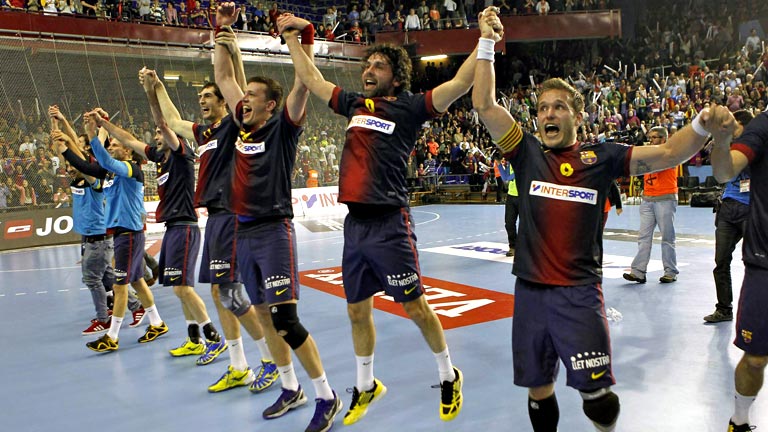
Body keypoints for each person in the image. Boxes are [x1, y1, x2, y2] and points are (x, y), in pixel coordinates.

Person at [471, 9, 733, 432]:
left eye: (559, 107)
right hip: (531, 293)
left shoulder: (602, 157)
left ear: (577, 116)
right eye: (542, 108)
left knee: (599, 400)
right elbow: (484, 104)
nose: (549, 114)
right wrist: (486, 41)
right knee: (538, 390)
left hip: (579, 295)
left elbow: (669, 153)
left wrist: (701, 124)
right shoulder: (527, 153)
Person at [278, 9, 478, 426]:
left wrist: (488, 40)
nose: (369, 70)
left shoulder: (409, 107)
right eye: (367, 64)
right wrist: (293, 39)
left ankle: (448, 374)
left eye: (379, 66)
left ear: (397, 77)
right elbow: (311, 78)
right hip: (355, 226)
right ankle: (366, 384)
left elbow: (460, 83)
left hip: (390, 224)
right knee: (357, 311)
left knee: (416, 306)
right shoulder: (353, 103)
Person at [214, 7, 341, 430]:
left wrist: (304, 36)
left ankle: (326, 395)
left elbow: (304, 81)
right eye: (244, 95)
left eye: (252, 95)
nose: (244, 99)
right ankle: (290, 387)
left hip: (273, 231)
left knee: (286, 319)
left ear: (270, 104)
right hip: (243, 231)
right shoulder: (242, 126)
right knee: (265, 316)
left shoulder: (284, 126)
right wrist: (222, 28)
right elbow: (223, 76)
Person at [147, 60, 277, 391]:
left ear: (223, 101)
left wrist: (230, 51)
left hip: (232, 213)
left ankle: (269, 360)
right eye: (201, 96)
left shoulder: (233, 125)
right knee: (221, 293)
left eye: (208, 96)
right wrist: (158, 87)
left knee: (230, 292)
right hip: (215, 217)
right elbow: (173, 121)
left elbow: (239, 92)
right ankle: (239, 365)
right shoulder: (204, 133)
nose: (202, 100)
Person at [96, 75, 226, 362]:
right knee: (179, 289)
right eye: (154, 133)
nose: (156, 136)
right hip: (172, 228)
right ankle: (194, 339)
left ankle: (214, 338)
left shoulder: (181, 152)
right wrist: (104, 124)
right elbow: (129, 139)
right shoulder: (161, 158)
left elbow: (165, 124)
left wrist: (151, 92)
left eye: (159, 132)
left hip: (185, 227)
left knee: (183, 288)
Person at [83, 109, 169, 353]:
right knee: (138, 281)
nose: (111, 148)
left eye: (116, 145)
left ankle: (111, 336)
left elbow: (105, 161)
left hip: (128, 233)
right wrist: (97, 128)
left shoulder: (131, 168)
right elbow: (99, 161)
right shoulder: (115, 173)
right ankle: (157, 323)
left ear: (128, 150)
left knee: (120, 286)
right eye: (110, 145)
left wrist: (96, 130)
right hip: (123, 232)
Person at [710, 108, 768, 432]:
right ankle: (740, 419)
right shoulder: (763, 125)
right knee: (755, 357)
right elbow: (724, 171)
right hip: (765, 261)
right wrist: (721, 140)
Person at [704, 110, 754, 323]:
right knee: (721, 261)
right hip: (728, 207)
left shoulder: (757, 146)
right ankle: (724, 308)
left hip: (751, 209)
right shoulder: (727, 146)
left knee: (755, 261)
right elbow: (720, 173)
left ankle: (756, 309)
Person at [622, 127, 680, 284]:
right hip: (648, 197)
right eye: (650, 137)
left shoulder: (670, 153)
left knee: (667, 236)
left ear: (663, 139)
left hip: (665, 198)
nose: (651, 140)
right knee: (643, 236)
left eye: (654, 137)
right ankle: (638, 272)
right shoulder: (649, 153)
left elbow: (654, 165)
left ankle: (670, 272)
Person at [498, 157, 518, 256]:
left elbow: (515, 175)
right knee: (509, 223)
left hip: (524, 196)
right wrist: (499, 164)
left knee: (527, 224)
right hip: (511, 195)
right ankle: (513, 246)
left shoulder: (524, 160)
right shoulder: (510, 163)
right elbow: (505, 178)